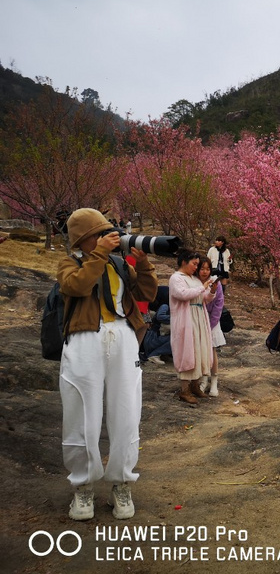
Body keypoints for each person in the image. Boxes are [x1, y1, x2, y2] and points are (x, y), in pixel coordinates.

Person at [57, 208, 158, 521]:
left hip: (123, 334)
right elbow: (76, 286)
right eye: (100, 233)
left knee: (126, 411)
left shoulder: (117, 263)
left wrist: (142, 265)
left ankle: (122, 481)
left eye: (107, 232)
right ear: (85, 238)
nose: (107, 237)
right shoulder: (70, 262)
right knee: (81, 414)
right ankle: (83, 486)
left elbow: (146, 294)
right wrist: (98, 254)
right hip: (85, 338)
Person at [169, 250, 218, 403]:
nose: (196, 267)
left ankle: (195, 385)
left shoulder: (194, 279)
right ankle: (184, 390)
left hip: (198, 316)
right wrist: (203, 287)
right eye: (194, 264)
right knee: (187, 350)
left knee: (199, 349)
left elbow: (204, 298)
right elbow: (182, 294)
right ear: (184, 261)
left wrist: (212, 291)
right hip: (186, 319)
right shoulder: (176, 278)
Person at [196, 257, 225, 397]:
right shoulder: (193, 282)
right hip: (197, 320)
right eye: (202, 268)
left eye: (207, 269)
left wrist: (211, 324)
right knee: (199, 351)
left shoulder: (215, 283)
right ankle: (203, 379)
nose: (205, 272)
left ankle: (214, 381)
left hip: (211, 321)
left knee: (211, 351)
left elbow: (219, 304)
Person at [142, 286, 172, 365]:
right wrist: (176, 319)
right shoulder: (164, 306)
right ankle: (154, 354)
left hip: (153, 339)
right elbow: (160, 317)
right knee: (177, 339)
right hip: (152, 340)